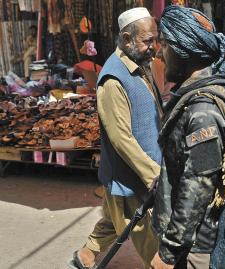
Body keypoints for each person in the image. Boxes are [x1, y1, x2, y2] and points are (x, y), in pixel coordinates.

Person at [150, 5, 225, 269]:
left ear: (185, 51)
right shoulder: (218, 89)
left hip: (194, 247)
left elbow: (198, 185)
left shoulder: (203, 110)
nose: (160, 53)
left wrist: (168, 254)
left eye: (166, 45)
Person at [68, 8, 161, 269]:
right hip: (130, 174)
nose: (153, 47)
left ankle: (85, 254)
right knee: (154, 246)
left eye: (154, 39)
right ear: (127, 39)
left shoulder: (141, 64)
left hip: (140, 171)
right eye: (147, 41)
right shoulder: (112, 79)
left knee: (115, 218)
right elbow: (121, 139)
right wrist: (154, 174)